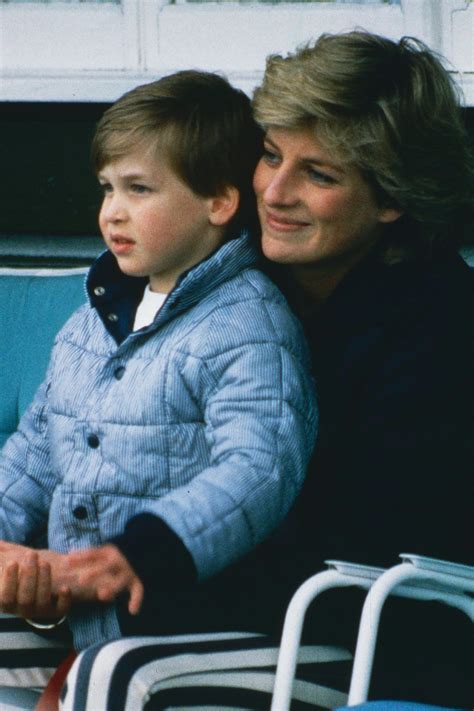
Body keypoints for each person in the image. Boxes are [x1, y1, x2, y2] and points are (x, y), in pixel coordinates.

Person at [60, 31, 473, 710]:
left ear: (392, 199)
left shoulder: (439, 333)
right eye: (271, 156)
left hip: (372, 637)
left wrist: (126, 577)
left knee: (117, 674)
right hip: (185, 605)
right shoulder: (223, 287)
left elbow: (351, 545)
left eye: (319, 174)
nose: (273, 193)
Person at [0, 70, 317, 687]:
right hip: (82, 619)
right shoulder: (89, 325)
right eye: (107, 189)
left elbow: (259, 466)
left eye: (139, 189)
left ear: (219, 202)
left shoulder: (249, 323)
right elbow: (34, 455)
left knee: (113, 675)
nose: (112, 212)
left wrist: (143, 550)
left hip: (198, 624)